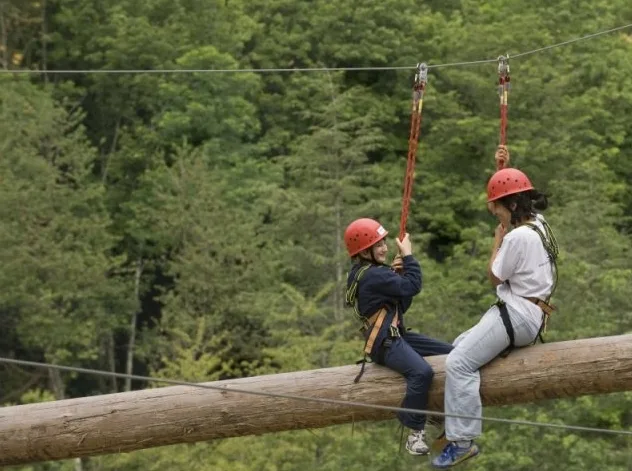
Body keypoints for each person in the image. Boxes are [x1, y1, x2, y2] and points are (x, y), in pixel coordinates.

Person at [431, 146, 559, 468]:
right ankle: (452, 420)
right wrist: (502, 169)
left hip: (517, 315)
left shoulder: (516, 238)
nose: (497, 215)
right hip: (530, 313)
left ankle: (462, 441)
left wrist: (496, 239)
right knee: (458, 347)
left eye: (499, 210)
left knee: (458, 363)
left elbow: (493, 275)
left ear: (513, 206)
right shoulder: (538, 223)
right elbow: (514, 195)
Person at [344, 218, 454, 455]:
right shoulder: (373, 276)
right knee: (421, 372)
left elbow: (402, 302)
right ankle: (414, 434)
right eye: (378, 245)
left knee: (453, 353)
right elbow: (413, 286)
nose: (384, 247)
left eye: (383, 242)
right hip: (384, 343)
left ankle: (437, 414)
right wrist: (408, 257)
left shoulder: (367, 273)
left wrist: (398, 274)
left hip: (395, 336)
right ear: (364, 252)